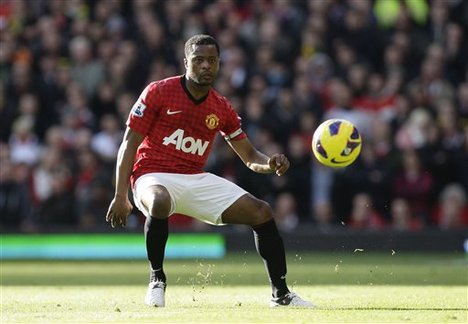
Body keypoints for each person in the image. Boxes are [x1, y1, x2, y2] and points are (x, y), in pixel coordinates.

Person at [105, 34, 313, 308]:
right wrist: (121, 195)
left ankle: (281, 294)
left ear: (219, 64)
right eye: (199, 60)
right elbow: (128, 144)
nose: (206, 66)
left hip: (193, 177)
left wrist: (270, 163)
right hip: (152, 173)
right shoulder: (158, 91)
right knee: (159, 201)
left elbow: (250, 156)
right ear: (185, 62)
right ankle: (157, 279)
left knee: (261, 211)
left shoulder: (221, 107)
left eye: (212, 61)